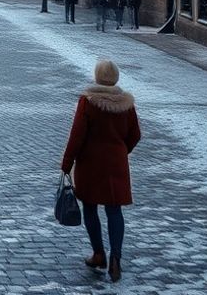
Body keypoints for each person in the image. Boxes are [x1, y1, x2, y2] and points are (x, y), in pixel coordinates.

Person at [60, 59, 141, 283]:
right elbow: (135, 134)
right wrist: (121, 151)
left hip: (91, 164)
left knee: (90, 208)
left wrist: (67, 163)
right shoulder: (126, 104)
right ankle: (116, 259)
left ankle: (98, 254)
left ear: (97, 76)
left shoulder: (88, 102)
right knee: (114, 211)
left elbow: (77, 136)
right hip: (116, 165)